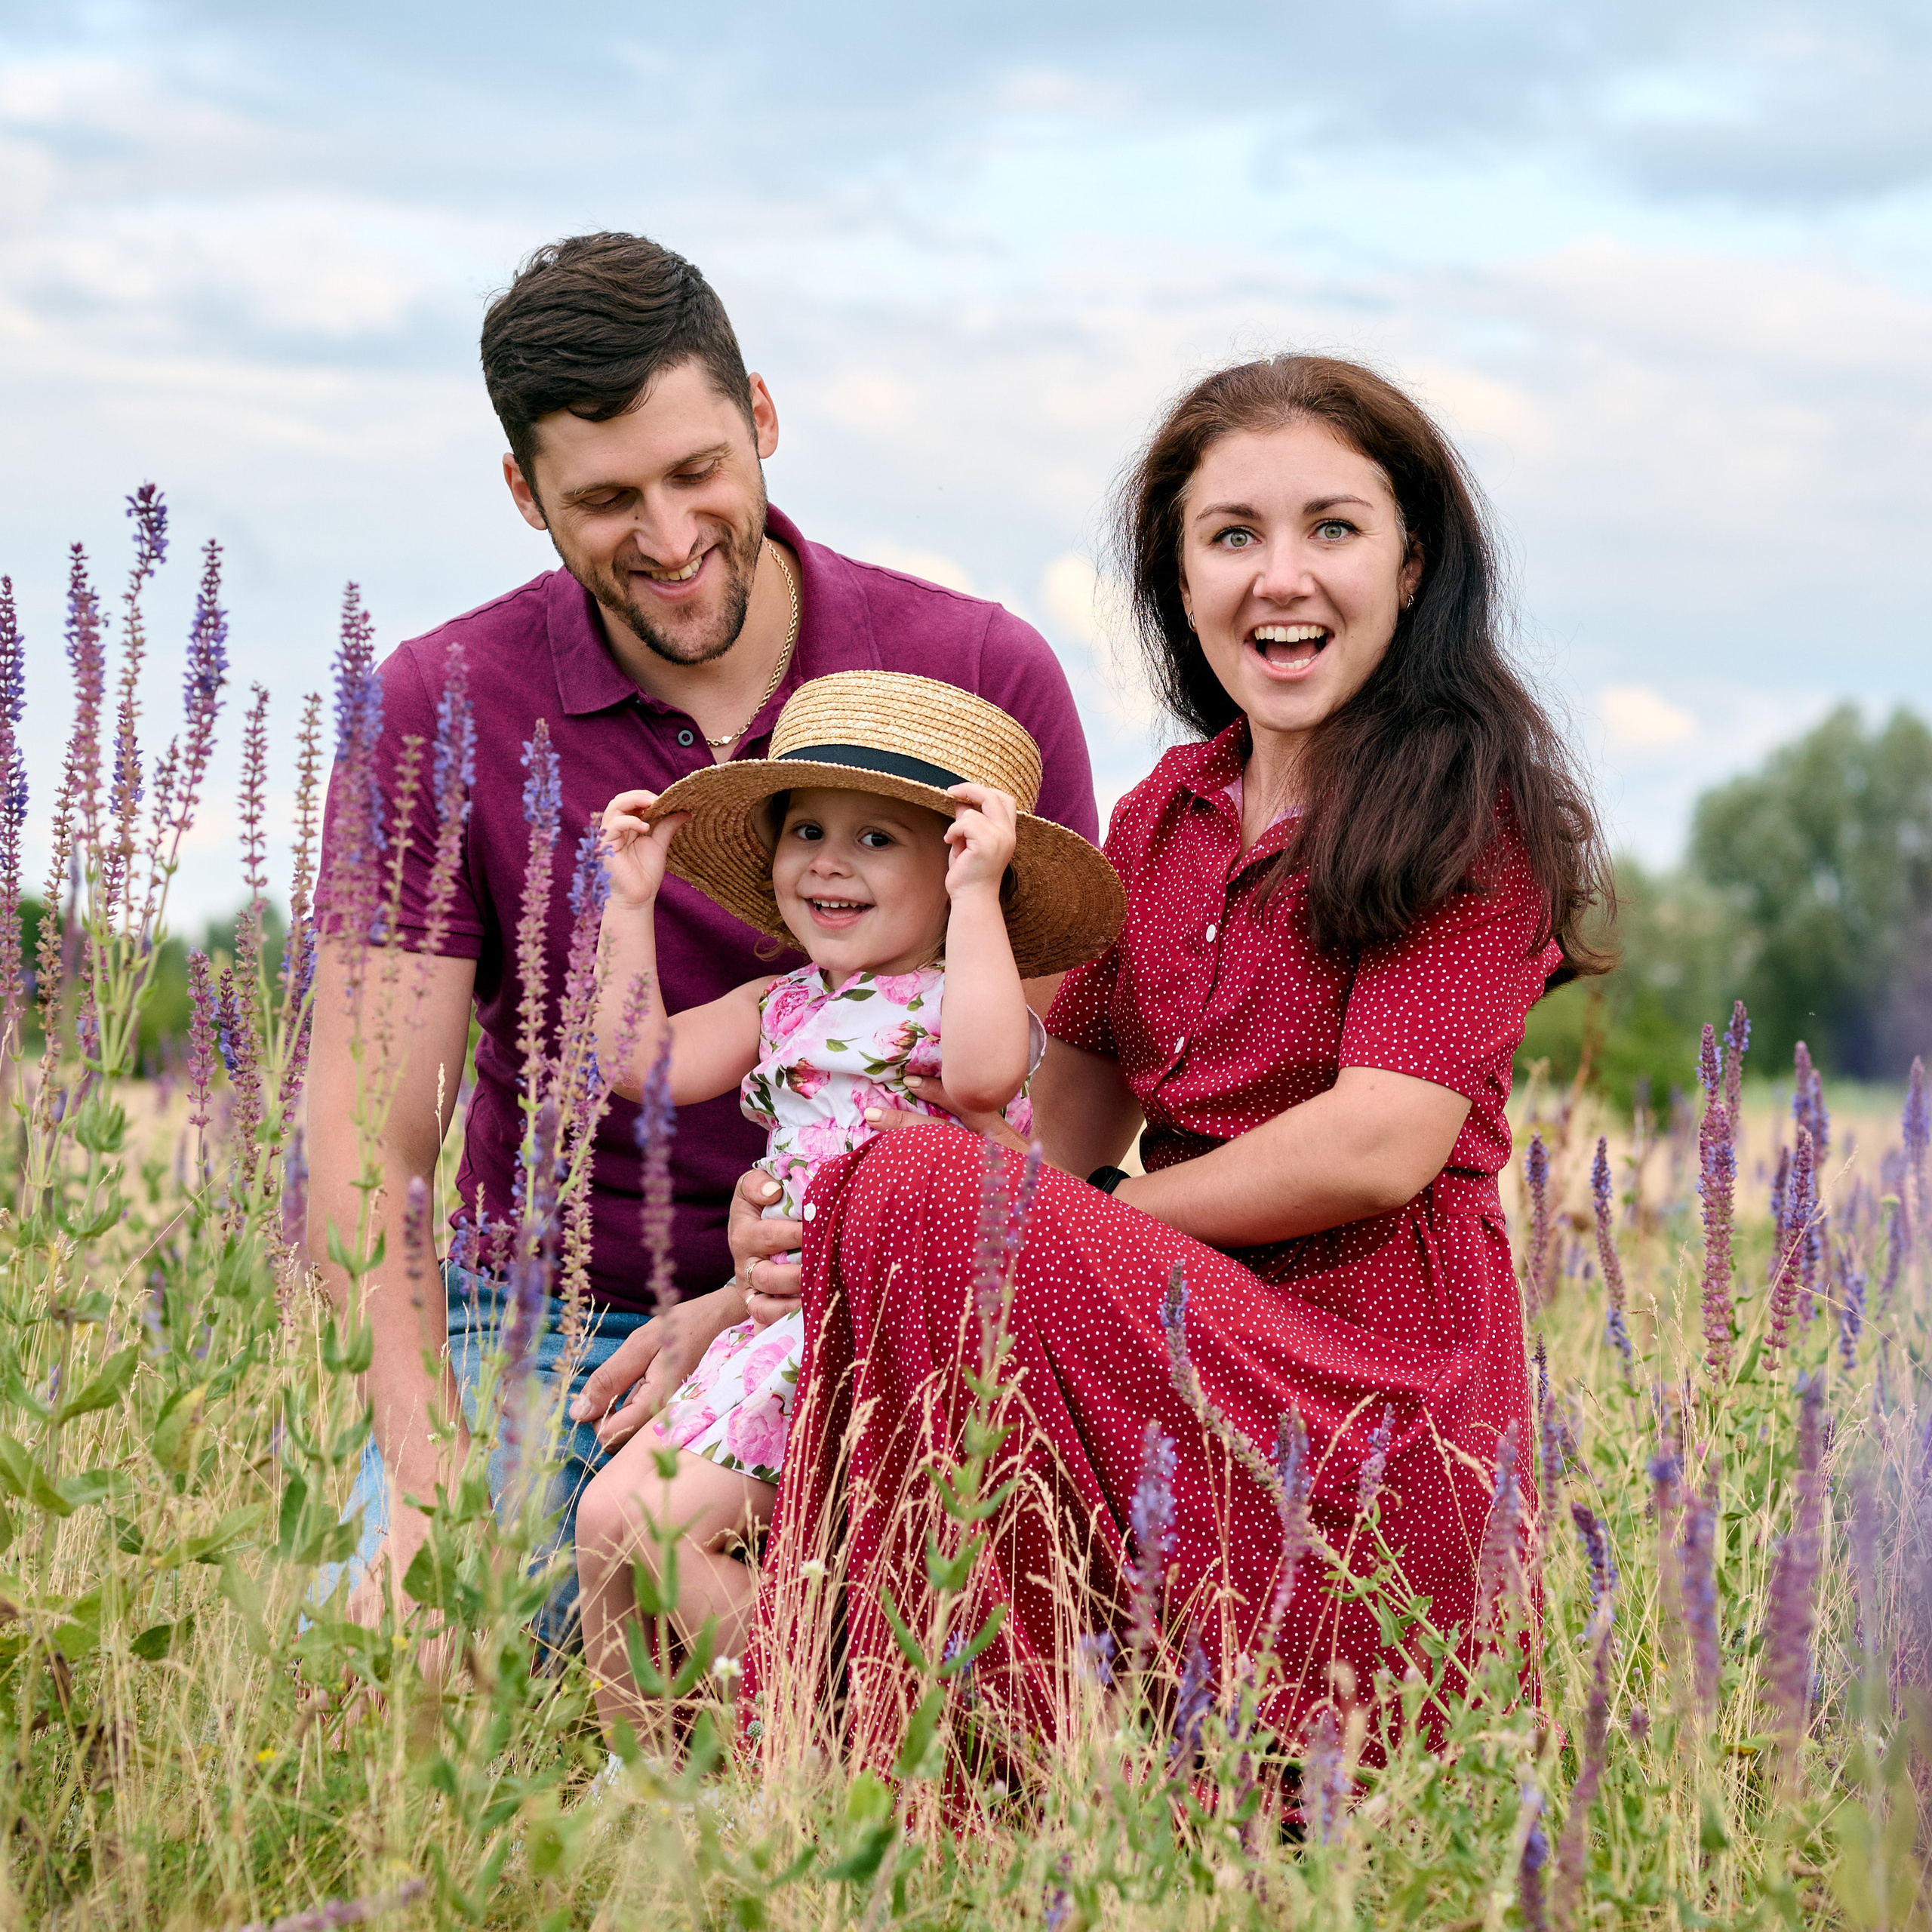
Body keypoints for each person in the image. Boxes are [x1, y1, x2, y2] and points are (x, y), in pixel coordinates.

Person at [678, 352, 1613, 1759]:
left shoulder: (1467, 816)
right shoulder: (1169, 809)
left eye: (1333, 529)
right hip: (1163, 1351)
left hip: (1368, 1405)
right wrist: (807, 1240)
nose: (1279, 577)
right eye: (1232, 536)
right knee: (911, 1186)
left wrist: (1065, 1219)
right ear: (1181, 582)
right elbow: (1041, 1128)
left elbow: (1377, 1145)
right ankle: (943, 1728)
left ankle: (923, 1730)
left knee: (937, 1198)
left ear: (1414, 564)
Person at [308, 232, 1099, 1640]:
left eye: (698, 474)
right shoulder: (435, 704)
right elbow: (368, 1155)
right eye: (607, 499)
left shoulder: (975, 677)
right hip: (553, 1317)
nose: (669, 541)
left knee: (949, 1667)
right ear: (523, 493)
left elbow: (1056, 1099)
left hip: (901, 1320)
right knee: (403, 1660)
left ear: (765, 422)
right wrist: (427, 1488)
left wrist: (753, 1299)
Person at [570, 671, 1121, 1743]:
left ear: (961, 867)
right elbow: (638, 1061)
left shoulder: (956, 1007)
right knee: (603, 1523)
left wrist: (975, 901)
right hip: (777, 1329)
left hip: (884, 1338)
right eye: (808, 829)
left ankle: (807, 1748)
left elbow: (980, 1078)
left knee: (663, 1532)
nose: (827, 858)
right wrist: (627, 907)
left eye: (878, 840)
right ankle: (644, 1786)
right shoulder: (778, 1005)